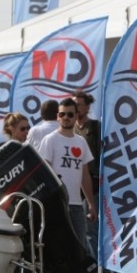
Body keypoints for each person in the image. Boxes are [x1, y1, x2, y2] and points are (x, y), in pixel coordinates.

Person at [39, 98, 97, 254]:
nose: (66, 117)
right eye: (62, 114)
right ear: (57, 116)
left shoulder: (81, 142)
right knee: (58, 247)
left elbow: (85, 175)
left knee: (80, 247)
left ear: (76, 115)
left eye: (70, 114)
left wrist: (91, 204)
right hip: (58, 204)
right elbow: (43, 172)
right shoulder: (50, 140)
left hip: (77, 204)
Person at [72, 91, 101, 263]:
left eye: (79, 105)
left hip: (92, 181)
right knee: (78, 228)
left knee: (92, 226)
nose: (76, 109)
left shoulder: (95, 127)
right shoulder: (71, 129)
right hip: (74, 183)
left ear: (87, 106)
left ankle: (97, 266)